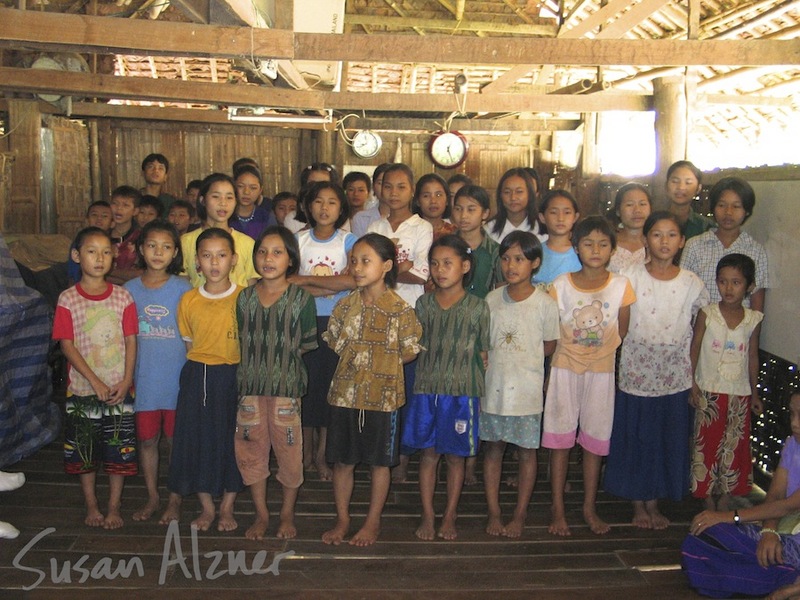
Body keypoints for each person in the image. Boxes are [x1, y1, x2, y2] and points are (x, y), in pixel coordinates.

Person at [604, 211, 709, 529]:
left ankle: (656, 501)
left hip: (675, 375)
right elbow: (618, 321)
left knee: (665, 439)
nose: (664, 241)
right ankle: (639, 504)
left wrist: (694, 376)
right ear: (646, 239)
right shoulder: (629, 275)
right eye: (657, 234)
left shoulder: (692, 283)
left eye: (672, 234)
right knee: (638, 438)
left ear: (681, 241)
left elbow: (697, 331)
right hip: (637, 374)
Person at [321, 233, 422, 547]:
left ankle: (373, 521)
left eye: (366, 260)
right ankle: (342, 519)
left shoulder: (401, 310)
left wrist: (381, 362)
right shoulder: (344, 305)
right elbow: (335, 340)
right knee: (343, 461)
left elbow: (411, 350)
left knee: (380, 462)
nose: (358, 267)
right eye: (354, 261)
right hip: (345, 394)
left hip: (384, 398)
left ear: (387, 265)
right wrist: (360, 360)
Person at [542, 216, 636, 536]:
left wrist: (598, 352)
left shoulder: (621, 285)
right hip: (564, 367)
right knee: (560, 440)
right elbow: (552, 330)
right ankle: (557, 508)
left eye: (603, 243)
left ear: (613, 249)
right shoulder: (561, 285)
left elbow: (621, 328)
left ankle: (588, 507)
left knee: (595, 441)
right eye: (588, 243)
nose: (595, 249)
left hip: (601, 371)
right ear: (576, 247)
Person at [403, 235, 489, 541]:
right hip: (426, 388)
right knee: (428, 456)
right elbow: (413, 344)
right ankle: (428, 514)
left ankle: (449, 515)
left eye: (448, 263)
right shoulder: (422, 304)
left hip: (462, 392)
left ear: (465, 266)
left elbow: (484, 352)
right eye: (434, 263)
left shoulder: (479, 308)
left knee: (455, 458)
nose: (440, 270)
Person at [52, 226, 138, 529]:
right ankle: (92, 505)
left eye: (105, 251)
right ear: (77, 256)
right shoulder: (67, 299)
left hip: (118, 388)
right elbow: (67, 345)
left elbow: (130, 341)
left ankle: (114, 507)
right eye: (91, 251)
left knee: (119, 451)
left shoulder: (122, 297)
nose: (99, 258)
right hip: (82, 391)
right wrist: (95, 382)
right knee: (84, 451)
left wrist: (126, 381)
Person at [235, 226, 318, 540]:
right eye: (262, 252)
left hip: (286, 391)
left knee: (289, 454)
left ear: (291, 259)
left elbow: (305, 344)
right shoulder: (244, 299)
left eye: (277, 252)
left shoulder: (301, 300)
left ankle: (286, 514)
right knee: (250, 451)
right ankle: (261, 514)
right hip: (250, 389)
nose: (268, 258)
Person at [683, 390, 800, 600]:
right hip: (784, 529)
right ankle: (785, 576)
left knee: (718, 541)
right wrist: (769, 531)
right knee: (703, 535)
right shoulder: (793, 445)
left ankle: (789, 583)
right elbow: (774, 496)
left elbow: (790, 505)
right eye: (792, 414)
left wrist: (729, 515)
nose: (795, 423)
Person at [482, 231, 559, 538]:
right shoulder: (490, 300)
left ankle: (520, 513)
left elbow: (550, 345)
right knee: (493, 450)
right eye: (505, 258)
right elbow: (484, 342)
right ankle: (494, 512)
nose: (511, 265)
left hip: (526, 393)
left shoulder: (545, 303)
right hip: (494, 389)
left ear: (535, 263)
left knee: (527, 453)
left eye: (519, 259)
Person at [167, 228, 245, 531]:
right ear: (196, 261)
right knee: (195, 441)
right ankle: (207, 508)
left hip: (233, 375)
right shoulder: (188, 300)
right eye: (206, 255)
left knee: (231, 440)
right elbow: (190, 344)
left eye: (222, 255)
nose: (214, 262)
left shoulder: (244, 297)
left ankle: (227, 507)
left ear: (234, 260)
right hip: (197, 375)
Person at [367, 163, 433, 483]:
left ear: (412, 191)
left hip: (409, 315)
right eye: (388, 186)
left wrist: (386, 269)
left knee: (405, 386)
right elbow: (366, 273)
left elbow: (421, 274)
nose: (393, 193)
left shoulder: (421, 228)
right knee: (381, 386)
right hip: (378, 315)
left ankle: (403, 457)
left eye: (401, 187)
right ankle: (382, 454)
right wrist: (399, 266)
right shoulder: (375, 228)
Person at [124, 220, 191, 523]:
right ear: (141, 249)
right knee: (148, 440)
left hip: (177, 380)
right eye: (152, 245)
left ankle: (174, 498)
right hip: (145, 381)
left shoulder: (184, 288)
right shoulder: (129, 291)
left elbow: (192, 335)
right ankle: (152, 495)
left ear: (175, 252)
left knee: (177, 441)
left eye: (166, 247)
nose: (158, 252)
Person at [289, 181, 357, 481]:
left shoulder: (350, 241)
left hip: (337, 324)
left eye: (332, 202)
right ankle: (303, 454)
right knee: (305, 389)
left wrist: (305, 282)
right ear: (308, 206)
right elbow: (286, 281)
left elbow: (353, 282)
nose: (324, 208)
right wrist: (330, 283)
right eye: (318, 201)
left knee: (331, 390)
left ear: (341, 208)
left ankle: (322, 456)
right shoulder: (297, 240)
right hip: (303, 321)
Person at [689, 253, 763, 511]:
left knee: (734, 444)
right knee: (706, 443)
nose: (729, 288)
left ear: (749, 286)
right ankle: (705, 494)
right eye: (723, 281)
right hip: (709, 389)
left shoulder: (753, 319)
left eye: (736, 282)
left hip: (739, 391)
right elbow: (695, 347)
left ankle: (727, 494)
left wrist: (754, 393)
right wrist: (693, 383)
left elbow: (752, 356)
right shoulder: (707, 314)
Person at [681, 176, 769, 313]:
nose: (728, 212)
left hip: (739, 332)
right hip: (700, 331)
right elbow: (683, 294)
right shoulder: (694, 246)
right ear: (713, 207)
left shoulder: (755, 251)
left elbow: (757, 303)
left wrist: (754, 334)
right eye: (722, 205)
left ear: (746, 211)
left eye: (736, 206)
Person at [180, 173, 258, 288]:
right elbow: (182, 285)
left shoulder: (248, 243)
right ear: (202, 200)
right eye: (216, 196)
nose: (223, 203)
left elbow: (251, 287)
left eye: (229, 197)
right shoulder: (185, 241)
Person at [452, 185, 503, 300]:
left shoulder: (496, 251)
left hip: (485, 314)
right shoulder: (444, 247)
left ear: (485, 213)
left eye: (471, 209)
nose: (463, 216)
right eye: (458, 209)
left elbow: (501, 290)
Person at [486, 167, 546, 245]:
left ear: (530, 194)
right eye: (507, 192)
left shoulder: (543, 230)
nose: (513, 197)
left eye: (519, 191)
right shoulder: (488, 230)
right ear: (500, 195)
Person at [533, 189, 581, 284]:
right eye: (553, 212)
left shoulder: (581, 253)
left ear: (575, 217)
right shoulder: (534, 252)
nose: (560, 218)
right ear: (542, 217)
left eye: (567, 212)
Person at [284, 163, 340, 234]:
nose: (318, 188)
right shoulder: (292, 218)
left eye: (324, 183)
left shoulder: (339, 216)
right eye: (313, 183)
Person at [608, 183, 651, 273]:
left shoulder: (657, 243)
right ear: (618, 211)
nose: (637, 210)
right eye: (629, 205)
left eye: (642, 204)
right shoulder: (607, 242)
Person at [67, 201, 114, 284]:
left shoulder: (116, 244)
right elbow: (73, 275)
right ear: (86, 220)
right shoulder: (79, 243)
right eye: (94, 215)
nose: (99, 219)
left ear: (112, 223)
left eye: (104, 216)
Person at [664, 160, 713, 240]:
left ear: (698, 188)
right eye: (675, 181)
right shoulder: (653, 222)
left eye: (688, 182)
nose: (681, 187)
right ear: (666, 185)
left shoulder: (706, 227)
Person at [108, 185, 144, 285]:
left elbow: (142, 275)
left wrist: (108, 272)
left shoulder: (141, 238)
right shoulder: (101, 236)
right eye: (115, 203)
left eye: (125, 205)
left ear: (135, 211)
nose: (119, 209)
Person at [231, 165, 277, 240]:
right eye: (241, 186)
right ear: (233, 187)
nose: (246, 192)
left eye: (253, 188)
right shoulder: (226, 215)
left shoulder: (266, 217)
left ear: (260, 190)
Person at [352, 163, 391, 238]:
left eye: (388, 183)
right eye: (380, 183)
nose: (384, 187)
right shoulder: (361, 218)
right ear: (373, 186)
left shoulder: (409, 219)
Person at [414, 173, 457, 241]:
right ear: (417, 201)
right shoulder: (409, 229)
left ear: (447, 200)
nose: (433, 201)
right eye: (426, 196)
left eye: (439, 195)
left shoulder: (455, 233)